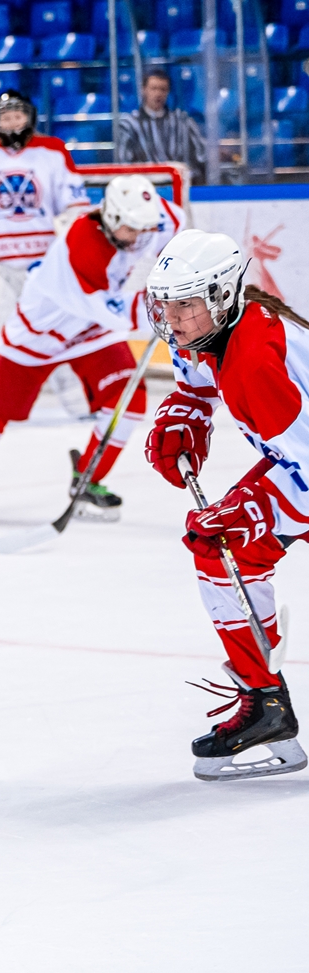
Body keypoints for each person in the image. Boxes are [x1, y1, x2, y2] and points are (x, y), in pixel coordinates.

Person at [141, 229, 308, 781]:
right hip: (298, 464)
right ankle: (265, 702)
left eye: (186, 303)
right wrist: (187, 409)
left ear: (220, 296)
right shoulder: (208, 330)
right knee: (220, 546)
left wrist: (254, 512)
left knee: (231, 534)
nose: (173, 318)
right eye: (166, 302)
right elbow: (197, 382)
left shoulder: (259, 364)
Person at [0, 175, 183, 520]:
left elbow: (175, 223)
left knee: (128, 397)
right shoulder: (85, 253)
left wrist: (184, 264)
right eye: (134, 230)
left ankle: (88, 478)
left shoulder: (140, 217)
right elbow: (118, 310)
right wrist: (171, 306)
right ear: (113, 219)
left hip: (90, 327)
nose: (141, 238)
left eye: (144, 229)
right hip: (41, 333)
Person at [0, 90, 93, 419]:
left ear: (30, 118)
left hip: (44, 264)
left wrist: (73, 244)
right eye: (5, 118)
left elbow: (75, 206)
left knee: (58, 331)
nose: (12, 123)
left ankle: (82, 404)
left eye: (17, 116)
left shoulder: (52, 153)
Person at [115, 68, 208, 186]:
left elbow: (201, 156)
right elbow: (124, 164)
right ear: (143, 90)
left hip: (179, 188)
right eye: (153, 88)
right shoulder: (129, 124)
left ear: (168, 92)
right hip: (144, 190)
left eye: (163, 89)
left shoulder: (183, 121)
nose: (158, 94)